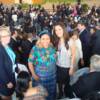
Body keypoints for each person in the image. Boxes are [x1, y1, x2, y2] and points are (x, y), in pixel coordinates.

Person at [28, 30, 57, 100]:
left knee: (51, 95)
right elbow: (30, 62)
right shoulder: (35, 49)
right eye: (43, 39)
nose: (45, 41)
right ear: (40, 39)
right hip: (40, 78)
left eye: (47, 38)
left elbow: (54, 60)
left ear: (50, 39)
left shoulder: (52, 47)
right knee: (40, 96)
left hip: (52, 78)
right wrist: (33, 74)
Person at [52, 22, 76, 99]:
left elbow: (73, 55)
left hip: (66, 67)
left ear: (63, 29)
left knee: (66, 84)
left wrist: (72, 67)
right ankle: (60, 94)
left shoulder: (70, 41)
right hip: (58, 65)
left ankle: (66, 95)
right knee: (59, 82)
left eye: (59, 29)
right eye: (56, 30)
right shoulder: (57, 40)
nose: (57, 31)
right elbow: (57, 53)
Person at [0, 26, 16, 100]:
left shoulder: (8, 46)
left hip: (11, 75)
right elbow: (1, 69)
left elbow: (12, 60)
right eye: (4, 36)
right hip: (4, 81)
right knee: (6, 96)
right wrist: (7, 82)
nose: (7, 37)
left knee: (10, 95)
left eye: (8, 35)